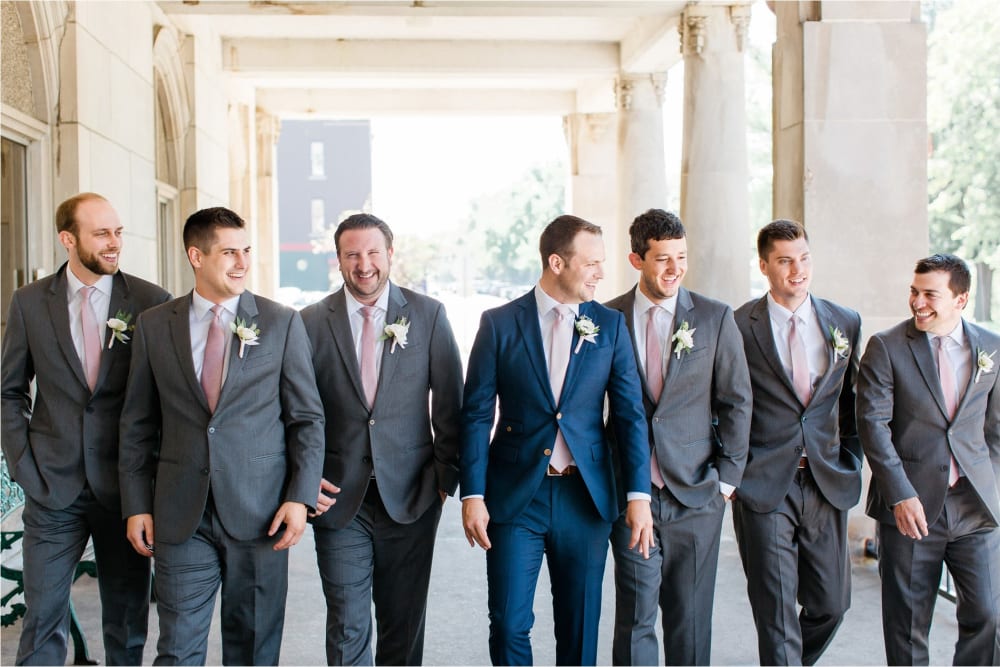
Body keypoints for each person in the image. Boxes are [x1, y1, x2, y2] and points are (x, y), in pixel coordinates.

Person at [118, 206, 325, 665]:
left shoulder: (280, 322)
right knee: (176, 648)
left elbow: (307, 419)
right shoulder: (155, 325)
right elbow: (137, 424)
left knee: (253, 648)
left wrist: (300, 497)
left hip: (261, 514)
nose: (242, 262)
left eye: (246, 251)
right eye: (229, 252)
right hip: (180, 514)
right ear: (196, 256)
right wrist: (136, 504)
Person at [461, 214, 654, 666]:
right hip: (514, 499)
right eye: (591, 264)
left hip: (585, 498)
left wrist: (638, 493)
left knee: (579, 627)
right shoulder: (498, 324)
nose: (601, 273)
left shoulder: (609, 325)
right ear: (556, 262)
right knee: (508, 623)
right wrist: (472, 492)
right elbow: (475, 416)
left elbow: (629, 416)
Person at [1, 193, 169, 665]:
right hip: (53, 486)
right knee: (42, 619)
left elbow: (168, 400)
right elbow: (9, 392)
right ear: (67, 239)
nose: (114, 243)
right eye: (101, 234)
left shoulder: (151, 302)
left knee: (127, 620)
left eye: (118, 232)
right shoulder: (30, 303)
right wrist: (24, 467)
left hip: (127, 491)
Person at [300, 213, 463, 666]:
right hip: (336, 498)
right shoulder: (310, 322)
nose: (364, 264)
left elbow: (450, 402)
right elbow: (295, 411)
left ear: (390, 255)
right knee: (348, 622)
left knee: (403, 622)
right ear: (338, 260)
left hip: (412, 496)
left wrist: (444, 480)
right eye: (352, 254)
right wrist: (302, 479)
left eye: (373, 252)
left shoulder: (428, 315)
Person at [605, 209, 751, 666]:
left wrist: (726, 482)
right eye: (662, 259)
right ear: (636, 260)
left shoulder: (713, 318)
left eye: (681, 257)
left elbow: (737, 402)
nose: (674, 269)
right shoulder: (606, 319)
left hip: (696, 494)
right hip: (632, 494)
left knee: (689, 620)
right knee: (635, 618)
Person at [857, 253, 1000, 665]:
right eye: (914, 292)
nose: (918, 302)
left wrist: (993, 489)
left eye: (930, 294)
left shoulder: (991, 349)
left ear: (961, 299)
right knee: (907, 625)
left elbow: (995, 431)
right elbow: (873, 426)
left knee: (988, 613)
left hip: (975, 507)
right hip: (910, 507)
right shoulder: (886, 346)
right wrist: (900, 494)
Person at [732, 219, 863, 665]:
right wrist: (735, 469)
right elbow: (722, 403)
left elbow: (850, 402)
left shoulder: (844, 321)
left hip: (826, 480)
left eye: (804, 258)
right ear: (765, 265)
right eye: (785, 261)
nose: (797, 270)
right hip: (764, 482)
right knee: (776, 611)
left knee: (832, 604)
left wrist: (850, 457)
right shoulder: (738, 325)